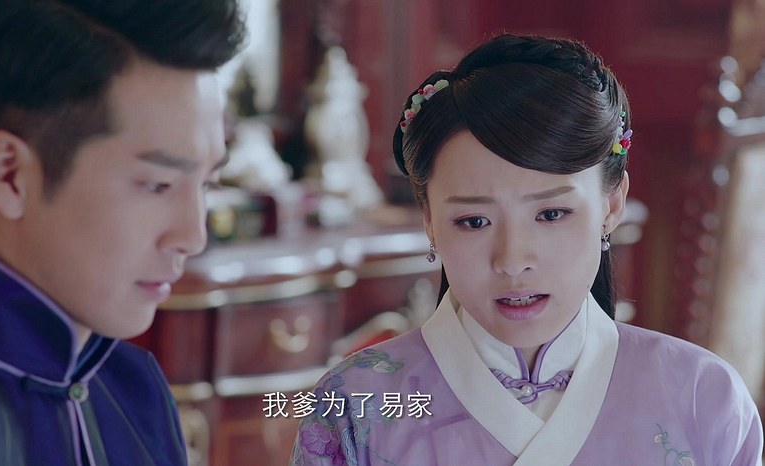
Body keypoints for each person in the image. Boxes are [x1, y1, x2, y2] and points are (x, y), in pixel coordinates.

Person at [290, 33, 764, 465]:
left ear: (611, 205)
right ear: (430, 221)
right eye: (474, 221)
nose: (512, 261)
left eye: (552, 214)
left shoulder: (704, 398)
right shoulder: (354, 405)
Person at [0, 0, 244, 464]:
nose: (192, 236)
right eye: (158, 185)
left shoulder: (136, 387)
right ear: (9, 175)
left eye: (207, 183)